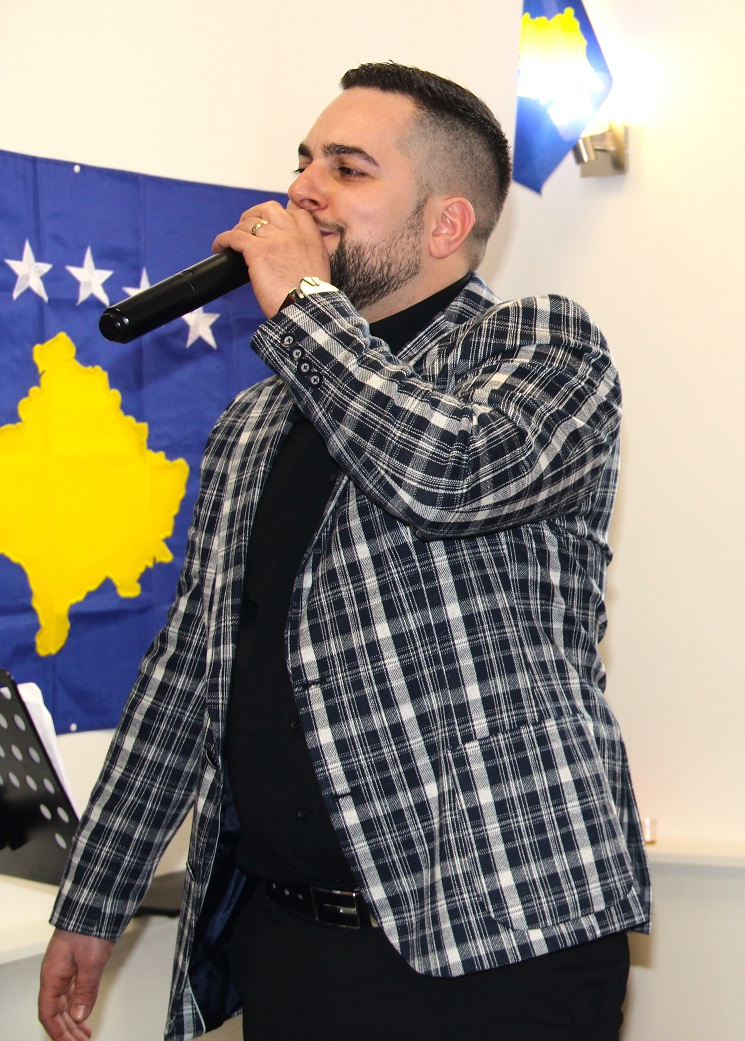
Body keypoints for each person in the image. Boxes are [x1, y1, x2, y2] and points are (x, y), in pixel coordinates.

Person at [37, 62, 648, 1041]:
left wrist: (301, 308)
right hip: (288, 941)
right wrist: (95, 893)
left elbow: (446, 474)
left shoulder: (542, 349)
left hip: (497, 939)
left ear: (445, 224)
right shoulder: (257, 418)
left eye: (348, 168)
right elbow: (191, 668)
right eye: (305, 161)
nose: (303, 190)